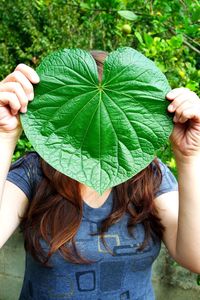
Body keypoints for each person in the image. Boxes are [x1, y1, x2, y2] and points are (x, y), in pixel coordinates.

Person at [0, 51, 200, 300]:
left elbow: (196, 257)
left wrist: (189, 156)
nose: (100, 121)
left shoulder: (149, 175)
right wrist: (4, 136)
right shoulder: (35, 172)